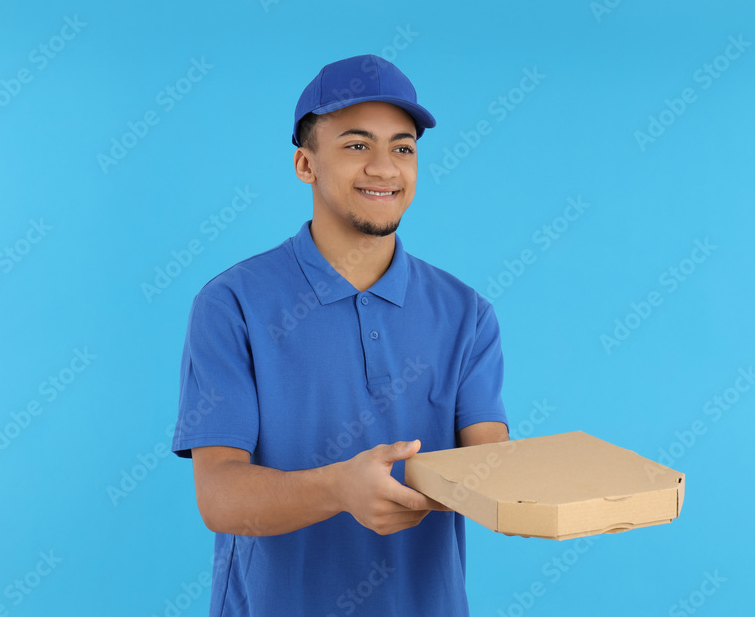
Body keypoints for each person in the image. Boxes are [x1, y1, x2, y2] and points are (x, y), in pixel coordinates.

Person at [171, 53, 509, 616]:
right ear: (306, 164)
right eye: (357, 145)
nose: (384, 168)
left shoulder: (467, 313)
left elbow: (490, 467)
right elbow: (220, 497)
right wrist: (337, 489)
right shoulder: (232, 304)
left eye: (403, 147)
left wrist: (561, 495)